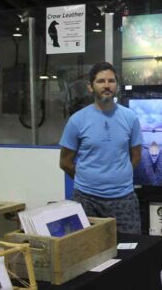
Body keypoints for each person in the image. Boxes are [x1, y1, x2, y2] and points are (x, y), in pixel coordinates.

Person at [59, 62, 142, 234]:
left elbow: (136, 156)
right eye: (101, 81)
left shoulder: (130, 118)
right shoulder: (77, 121)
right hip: (87, 200)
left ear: (116, 86)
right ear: (90, 87)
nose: (106, 85)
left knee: (130, 251)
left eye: (111, 81)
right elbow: (65, 162)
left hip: (123, 199)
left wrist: (120, 174)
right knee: (87, 253)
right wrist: (88, 179)